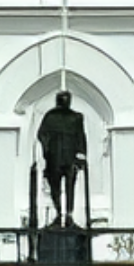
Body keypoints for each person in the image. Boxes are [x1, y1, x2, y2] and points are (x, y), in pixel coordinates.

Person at [36, 90, 86, 223]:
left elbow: (80, 136)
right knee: (61, 186)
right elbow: (42, 135)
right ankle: (63, 213)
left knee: (62, 186)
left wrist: (48, 150)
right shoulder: (67, 117)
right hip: (62, 157)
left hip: (60, 158)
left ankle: (65, 213)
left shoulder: (71, 117)